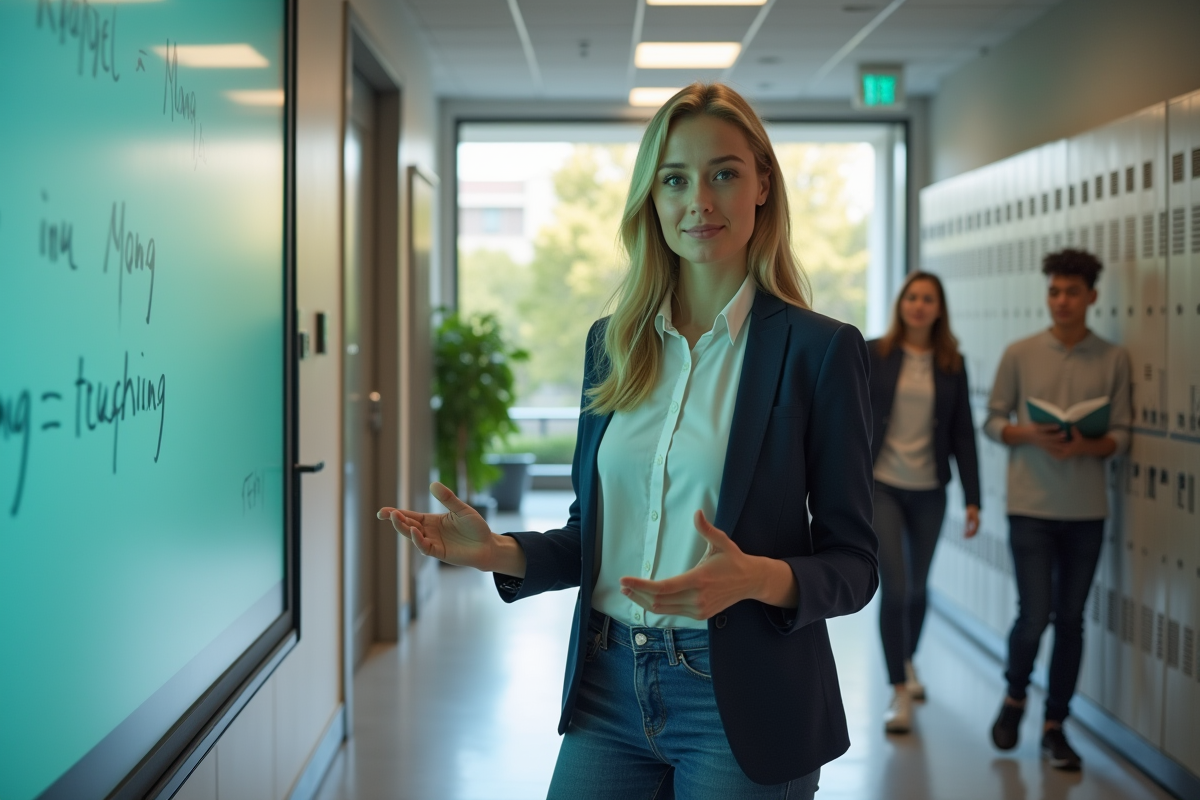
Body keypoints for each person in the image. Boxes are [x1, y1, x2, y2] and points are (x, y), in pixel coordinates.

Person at [378, 82, 878, 799]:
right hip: (609, 687)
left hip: (741, 696)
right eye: (675, 179)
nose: (698, 202)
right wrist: (498, 552)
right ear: (652, 196)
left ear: (763, 183)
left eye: (724, 174)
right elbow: (596, 536)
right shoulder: (611, 346)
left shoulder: (819, 351)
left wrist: (758, 578)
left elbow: (856, 564)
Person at [985, 248, 1131, 771]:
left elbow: (1121, 434)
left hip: (1086, 510)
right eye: (1054, 291)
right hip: (1030, 505)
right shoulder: (1020, 353)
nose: (1061, 301)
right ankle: (1014, 696)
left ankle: (1055, 726)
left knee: (1071, 620)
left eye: (1071, 292)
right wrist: (1027, 432)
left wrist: (1088, 446)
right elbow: (993, 420)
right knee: (1034, 615)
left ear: (1091, 297)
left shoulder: (1113, 358)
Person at [867, 271, 980, 735]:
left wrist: (974, 498)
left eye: (927, 299)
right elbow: (848, 413)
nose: (918, 305)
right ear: (901, 304)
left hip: (930, 489)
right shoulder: (875, 352)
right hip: (881, 484)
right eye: (911, 297)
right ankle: (898, 690)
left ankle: (908, 659)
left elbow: (963, 432)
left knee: (917, 587)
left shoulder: (951, 362)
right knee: (895, 586)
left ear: (939, 308)